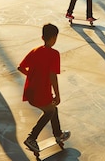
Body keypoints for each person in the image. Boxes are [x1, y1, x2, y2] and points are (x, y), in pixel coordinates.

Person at [19, 23, 71, 153]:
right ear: (54, 38)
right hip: (41, 92)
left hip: (30, 91)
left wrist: (32, 76)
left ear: (42, 37)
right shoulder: (54, 54)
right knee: (50, 111)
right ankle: (31, 138)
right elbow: (53, 76)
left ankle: (58, 134)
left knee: (53, 109)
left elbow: (21, 67)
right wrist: (57, 94)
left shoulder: (35, 50)